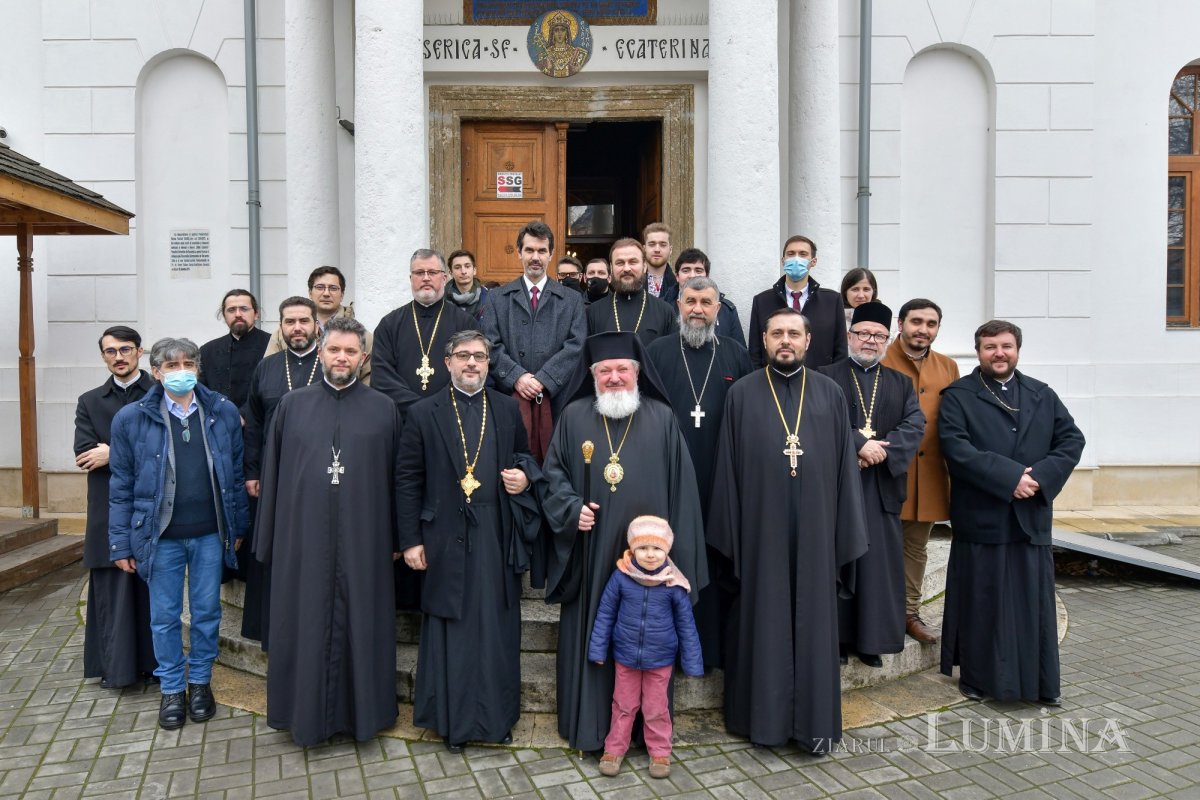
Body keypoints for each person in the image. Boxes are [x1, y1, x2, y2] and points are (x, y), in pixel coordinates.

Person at [707, 308, 868, 752]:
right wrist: (733, 538)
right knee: (764, 617)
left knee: (813, 620)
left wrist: (842, 534)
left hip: (818, 530)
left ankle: (813, 726)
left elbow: (843, 473)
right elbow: (728, 471)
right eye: (777, 333)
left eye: (793, 334)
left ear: (807, 341)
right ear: (763, 339)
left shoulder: (831, 393)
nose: (785, 341)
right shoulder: (741, 394)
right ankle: (762, 722)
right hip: (760, 534)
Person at [542, 331, 708, 753]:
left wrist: (679, 558)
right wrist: (570, 508)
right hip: (592, 551)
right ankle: (590, 727)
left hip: (650, 561)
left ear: (637, 373)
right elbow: (552, 477)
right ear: (592, 375)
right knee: (592, 637)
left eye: (622, 370)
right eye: (605, 371)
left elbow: (683, 492)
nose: (614, 378)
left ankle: (646, 736)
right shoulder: (574, 415)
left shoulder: (662, 419)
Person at [255, 316, 401, 746]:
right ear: (320, 354)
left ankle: (363, 718)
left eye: (350, 351)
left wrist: (395, 538)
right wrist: (270, 540)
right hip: (303, 542)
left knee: (362, 623)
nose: (342, 358)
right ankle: (302, 716)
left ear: (363, 357)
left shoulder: (383, 408)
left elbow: (397, 480)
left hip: (366, 542)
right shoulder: (292, 405)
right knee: (305, 624)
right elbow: (273, 471)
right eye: (334, 350)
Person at [397, 330, 543, 752]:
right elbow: (407, 480)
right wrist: (410, 541)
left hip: (495, 534)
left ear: (489, 362)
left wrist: (523, 476)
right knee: (452, 632)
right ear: (448, 363)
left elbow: (524, 457)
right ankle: (452, 723)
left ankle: (496, 720)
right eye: (464, 356)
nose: (473, 363)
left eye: (480, 356)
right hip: (442, 536)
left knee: (496, 631)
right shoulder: (424, 412)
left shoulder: (504, 407)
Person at [939, 320, 1084, 706]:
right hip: (983, 516)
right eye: (990, 347)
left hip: (1030, 516)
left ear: (1017, 349)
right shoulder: (958, 395)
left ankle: (1039, 683)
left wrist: (1036, 479)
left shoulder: (1041, 394)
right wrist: (1009, 478)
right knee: (982, 601)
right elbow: (956, 447)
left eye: (1006, 346)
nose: (998, 353)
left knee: (1031, 605)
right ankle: (976, 677)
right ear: (979, 351)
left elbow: (1071, 440)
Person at [108, 337, 249, 731]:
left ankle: (200, 683)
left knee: (206, 613)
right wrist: (120, 541)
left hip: (208, 534)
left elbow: (235, 477)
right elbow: (121, 485)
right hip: (160, 537)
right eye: (171, 366)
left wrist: (237, 526)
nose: (180, 372)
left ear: (198, 368)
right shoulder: (132, 419)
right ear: (155, 371)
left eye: (188, 364)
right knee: (165, 617)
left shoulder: (221, 411)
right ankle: (172, 688)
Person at [645, 276, 751, 667]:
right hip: (668, 478)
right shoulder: (657, 351)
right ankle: (667, 653)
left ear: (718, 309)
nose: (697, 309)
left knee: (717, 559)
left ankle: (713, 651)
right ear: (679, 304)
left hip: (722, 478)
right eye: (690, 301)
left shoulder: (737, 355)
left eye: (706, 302)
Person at [817, 302, 924, 667]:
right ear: (849, 336)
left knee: (877, 568)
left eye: (878, 336)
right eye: (863, 333)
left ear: (888, 340)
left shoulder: (901, 383)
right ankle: (837, 640)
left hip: (880, 489)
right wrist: (859, 445)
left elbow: (914, 427)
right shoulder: (825, 376)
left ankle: (870, 641)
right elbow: (819, 423)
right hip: (836, 490)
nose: (870, 341)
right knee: (838, 562)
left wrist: (879, 453)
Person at [589, 516, 703, 780]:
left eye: (657, 548)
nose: (650, 555)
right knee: (623, 705)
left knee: (656, 709)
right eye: (643, 548)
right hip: (626, 658)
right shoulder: (621, 578)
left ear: (667, 550)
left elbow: (687, 625)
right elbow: (605, 614)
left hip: (660, 660)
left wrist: (693, 662)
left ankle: (660, 752)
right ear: (632, 549)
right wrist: (597, 649)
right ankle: (614, 749)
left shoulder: (673, 584)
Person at [76, 326, 156, 691]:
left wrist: (115, 452)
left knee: (151, 590)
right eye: (110, 351)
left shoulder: (159, 393)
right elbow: (87, 455)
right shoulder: (90, 401)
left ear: (140, 351)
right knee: (113, 590)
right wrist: (121, 454)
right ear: (104, 356)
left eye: (125, 349)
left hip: (154, 506)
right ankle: (118, 668)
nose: (118, 356)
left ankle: (155, 667)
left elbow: (167, 448)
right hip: (109, 509)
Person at [239, 296, 322, 643]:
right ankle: (272, 626)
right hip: (274, 475)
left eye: (304, 321)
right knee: (275, 549)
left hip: (321, 474)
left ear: (317, 324)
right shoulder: (268, 367)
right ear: (281, 327)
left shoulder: (331, 362)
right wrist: (252, 471)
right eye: (290, 322)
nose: (297, 328)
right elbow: (254, 424)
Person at [880, 299, 960, 643]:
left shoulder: (948, 367)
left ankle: (909, 612)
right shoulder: (881, 359)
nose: (922, 329)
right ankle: (876, 611)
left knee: (916, 548)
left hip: (928, 475)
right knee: (880, 545)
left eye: (931, 323)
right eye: (916, 322)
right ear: (901, 324)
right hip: (884, 473)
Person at [481, 220, 586, 462]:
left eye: (541, 250)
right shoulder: (497, 298)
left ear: (551, 254)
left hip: (558, 400)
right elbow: (489, 344)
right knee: (513, 464)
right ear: (519, 253)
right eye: (529, 250)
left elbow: (576, 345)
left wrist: (543, 380)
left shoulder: (571, 300)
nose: (535, 257)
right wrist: (516, 376)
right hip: (510, 400)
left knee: (557, 466)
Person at [372, 249, 480, 420]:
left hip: (450, 418)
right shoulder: (390, 324)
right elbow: (382, 378)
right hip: (402, 421)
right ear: (411, 279)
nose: (426, 278)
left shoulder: (465, 324)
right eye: (419, 273)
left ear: (444, 278)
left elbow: (472, 370)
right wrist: (418, 409)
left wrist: (439, 408)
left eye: (432, 272)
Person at [747, 235, 847, 370]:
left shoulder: (832, 301)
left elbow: (840, 351)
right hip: (773, 382)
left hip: (820, 383)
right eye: (791, 254)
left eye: (803, 254)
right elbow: (755, 352)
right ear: (783, 261)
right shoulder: (762, 301)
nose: (796, 258)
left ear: (813, 261)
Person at [264, 265, 373, 383]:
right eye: (320, 287)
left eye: (333, 288)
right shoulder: (282, 334)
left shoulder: (362, 336)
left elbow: (368, 379)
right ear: (310, 292)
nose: (326, 293)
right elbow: (269, 372)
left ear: (342, 295)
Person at [586, 238, 678, 345]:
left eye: (633, 262)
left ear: (644, 267)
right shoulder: (593, 312)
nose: (626, 269)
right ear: (611, 268)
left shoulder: (665, 311)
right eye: (620, 263)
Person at [197, 289, 271, 408]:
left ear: (256, 314)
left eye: (244, 309)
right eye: (231, 310)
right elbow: (201, 391)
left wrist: (244, 415)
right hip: (219, 420)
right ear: (224, 315)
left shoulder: (272, 345)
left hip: (260, 422)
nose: (238, 314)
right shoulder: (207, 351)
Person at [660, 247, 746, 348]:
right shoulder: (661, 308)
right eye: (686, 270)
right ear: (677, 276)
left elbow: (739, 351)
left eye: (698, 270)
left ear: (707, 276)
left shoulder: (727, 310)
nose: (692, 275)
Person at [445, 248, 489, 319]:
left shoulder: (489, 298)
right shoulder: (441, 299)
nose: (463, 271)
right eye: (457, 267)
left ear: (474, 270)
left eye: (467, 266)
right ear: (451, 273)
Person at [642, 222, 677, 299]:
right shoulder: (634, 282)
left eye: (663, 245)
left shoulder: (678, 283)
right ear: (644, 249)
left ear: (670, 250)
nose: (657, 249)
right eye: (652, 244)